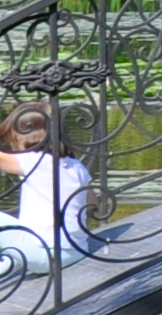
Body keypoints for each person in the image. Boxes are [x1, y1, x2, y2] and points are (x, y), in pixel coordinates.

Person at [0, 100, 103, 291]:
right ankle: (8, 261)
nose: (11, 148)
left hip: (46, 256)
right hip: (77, 249)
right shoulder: (75, 165)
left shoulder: (34, 161)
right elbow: (93, 204)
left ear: (23, 139)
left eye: (12, 142)